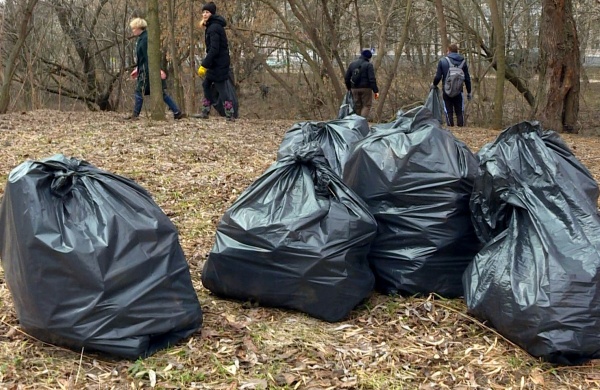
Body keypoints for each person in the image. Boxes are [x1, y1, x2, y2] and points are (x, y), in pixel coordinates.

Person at [125, 17, 184, 120]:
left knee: (140, 92)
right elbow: (142, 59)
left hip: (147, 71)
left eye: (134, 28)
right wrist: (137, 69)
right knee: (160, 93)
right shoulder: (141, 39)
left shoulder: (145, 40)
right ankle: (176, 111)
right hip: (144, 69)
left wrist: (157, 70)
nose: (133, 30)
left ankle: (135, 114)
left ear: (139, 28)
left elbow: (149, 57)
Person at [194, 2, 237, 122]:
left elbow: (214, 49)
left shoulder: (214, 28)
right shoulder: (212, 26)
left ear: (212, 13)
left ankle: (230, 113)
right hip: (215, 62)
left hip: (219, 63)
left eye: (207, 12)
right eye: (203, 12)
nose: (204, 14)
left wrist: (204, 64)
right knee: (206, 84)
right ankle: (205, 111)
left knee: (222, 88)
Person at [432, 43, 472, 127]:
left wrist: (434, 85)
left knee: (448, 111)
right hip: (459, 91)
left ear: (448, 51)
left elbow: (438, 77)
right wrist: (469, 92)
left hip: (447, 90)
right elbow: (467, 78)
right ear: (457, 51)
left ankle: (451, 129)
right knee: (459, 111)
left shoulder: (443, 61)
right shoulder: (463, 62)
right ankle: (461, 129)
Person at [344, 49, 379, 119]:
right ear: (369, 57)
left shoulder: (352, 64)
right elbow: (372, 79)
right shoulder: (369, 65)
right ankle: (362, 122)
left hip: (354, 89)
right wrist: (376, 91)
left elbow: (347, 78)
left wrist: (349, 88)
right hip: (366, 89)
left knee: (357, 106)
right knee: (366, 105)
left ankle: (357, 123)